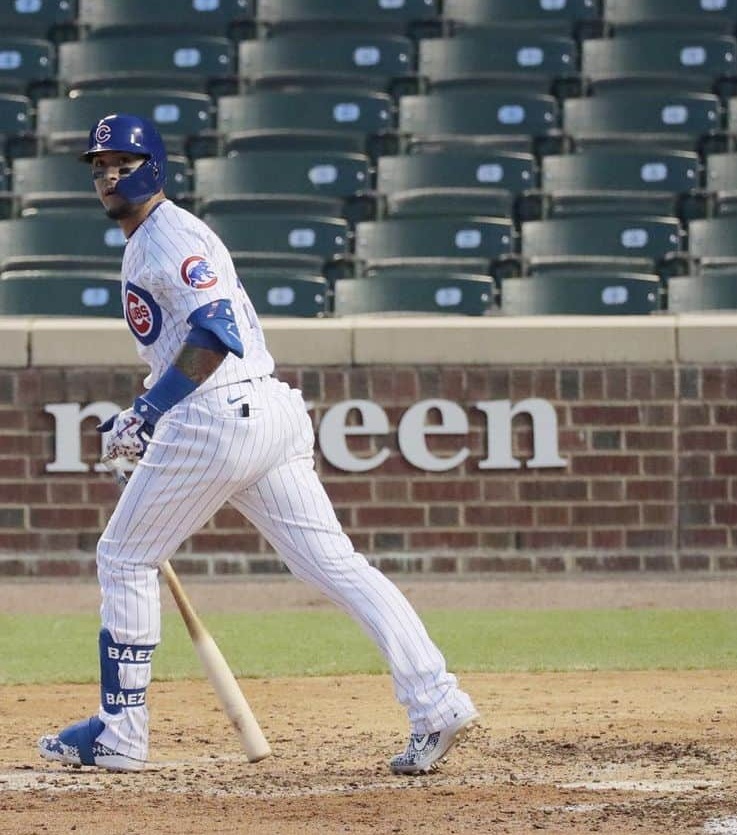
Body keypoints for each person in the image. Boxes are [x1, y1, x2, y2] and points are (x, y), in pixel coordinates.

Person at [38, 113, 478, 776]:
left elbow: (214, 332)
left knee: (124, 559)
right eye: (99, 166)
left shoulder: (167, 237)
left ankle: (119, 732)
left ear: (152, 167)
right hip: (265, 412)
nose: (106, 176)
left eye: (121, 163)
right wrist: (151, 406)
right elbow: (187, 337)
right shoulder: (152, 238)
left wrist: (149, 411)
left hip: (219, 416)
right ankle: (436, 701)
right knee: (335, 564)